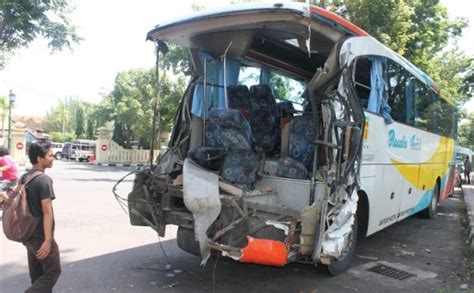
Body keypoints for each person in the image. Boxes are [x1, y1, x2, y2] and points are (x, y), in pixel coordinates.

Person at [1, 142, 61, 292]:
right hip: (39, 236)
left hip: (27, 234)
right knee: (53, 271)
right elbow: (47, 212)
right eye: (50, 155)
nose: (53, 158)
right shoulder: (43, 180)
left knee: (37, 275)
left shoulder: (25, 177)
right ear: (40, 159)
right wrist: (48, 240)